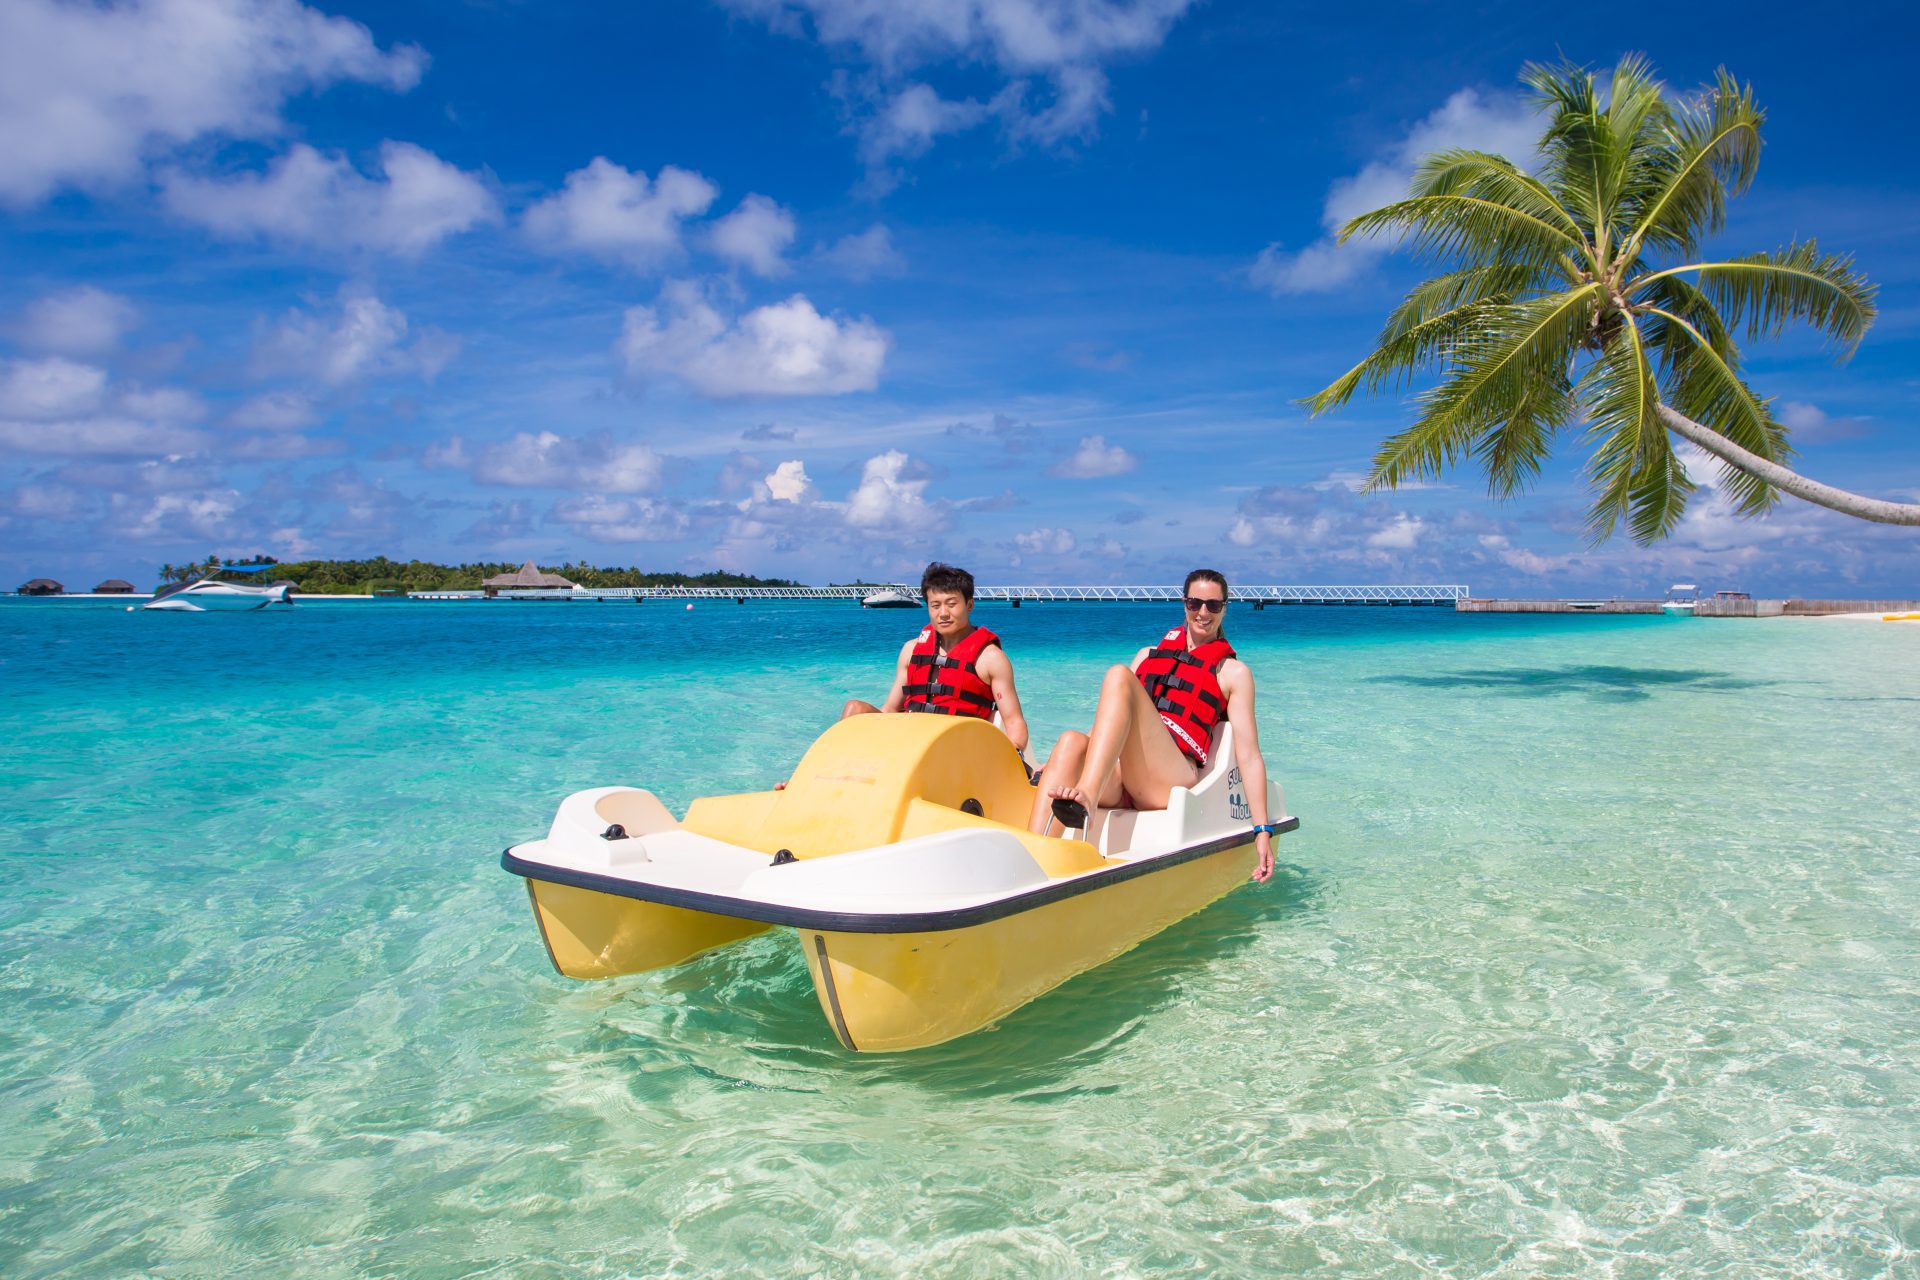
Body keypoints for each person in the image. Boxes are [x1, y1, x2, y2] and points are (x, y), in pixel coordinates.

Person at [1028, 569, 1278, 882]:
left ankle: (1087, 797)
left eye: (1213, 605)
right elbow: (1110, 721)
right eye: (1195, 603)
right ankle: (1030, 857)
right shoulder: (1148, 655)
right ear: (1184, 603)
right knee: (1069, 741)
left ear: (1224, 609)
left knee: (1119, 675)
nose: (1203, 613)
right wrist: (1057, 763)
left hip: (1171, 776)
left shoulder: (1233, 673)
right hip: (1128, 775)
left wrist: (1262, 830)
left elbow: (1249, 755)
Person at [840, 562, 1030, 751]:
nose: (943, 613)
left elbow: (1014, 722)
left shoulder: (990, 659)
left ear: (969, 605)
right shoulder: (911, 650)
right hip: (910, 740)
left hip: (956, 748)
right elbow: (890, 709)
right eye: (935, 606)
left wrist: (1014, 752)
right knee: (854, 709)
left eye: (952, 604)